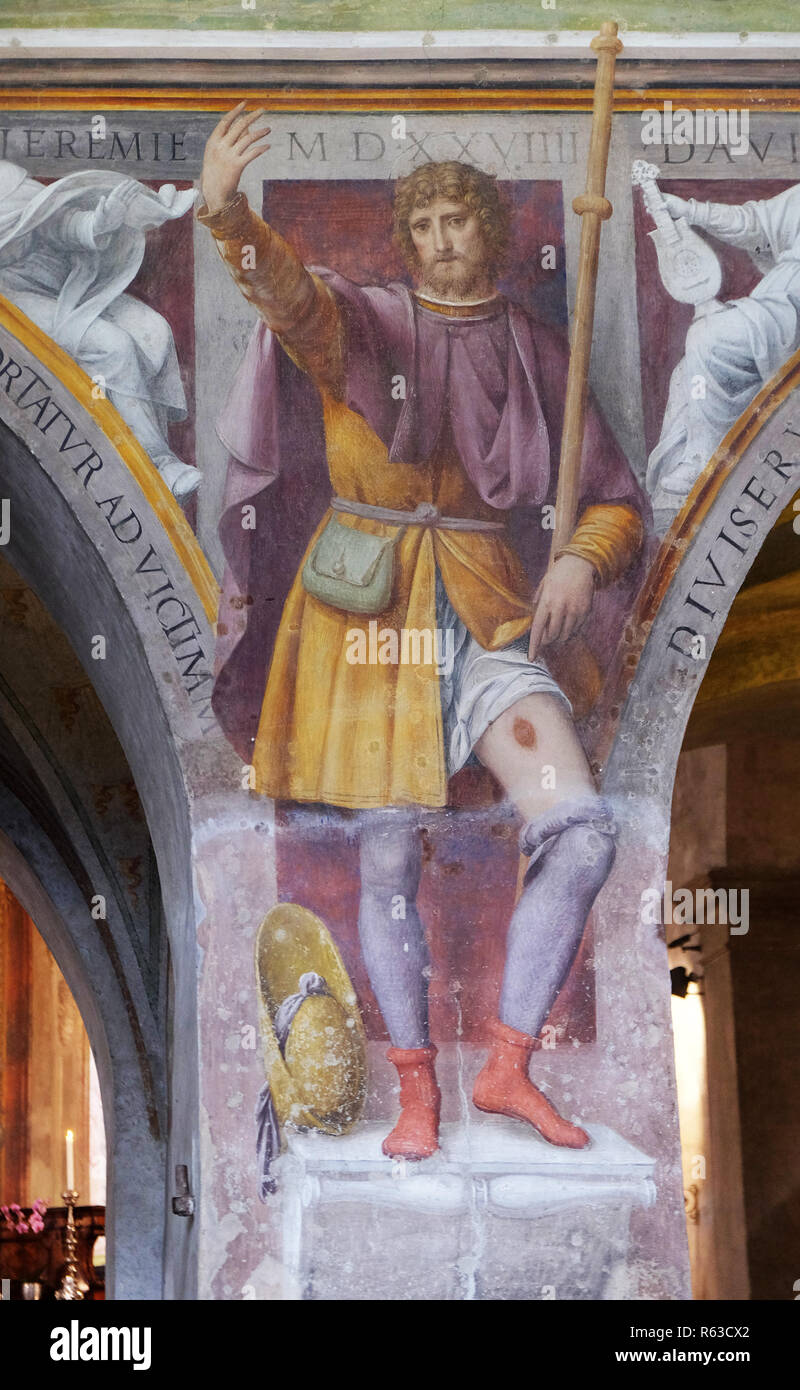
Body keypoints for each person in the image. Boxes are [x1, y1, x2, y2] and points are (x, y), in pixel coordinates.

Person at [200, 105, 649, 1159]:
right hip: (370, 617)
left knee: (581, 828)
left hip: (489, 604)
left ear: (489, 232)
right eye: (428, 222)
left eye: (461, 218)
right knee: (387, 853)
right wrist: (228, 220)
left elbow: (612, 499)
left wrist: (579, 558)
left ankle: (503, 1062)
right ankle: (415, 1088)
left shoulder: (543, 354)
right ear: (409, 241)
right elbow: (294, 300)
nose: (445, 237)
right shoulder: (370, 327)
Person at [0, 160, 199, 501]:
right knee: (113, 346)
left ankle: (150, 450)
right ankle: (156, 463)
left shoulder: (7, 179)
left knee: (153, 330)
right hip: (12, 303)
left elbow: (58, 222)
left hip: (62, 290)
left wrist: (100, 223)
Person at [649, 183, 800, 507]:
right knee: (687, 371)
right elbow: (754, 221)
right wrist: (689, 210)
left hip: (791, 312)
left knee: (708, 338)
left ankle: (706, 457)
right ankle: (691, 459)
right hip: (779, 304)